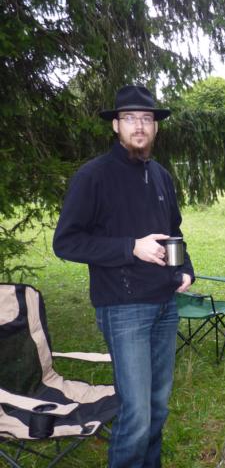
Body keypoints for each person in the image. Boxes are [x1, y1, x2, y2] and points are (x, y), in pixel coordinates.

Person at [53, 85, 194, 468]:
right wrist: (131, 247)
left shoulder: (161, 176)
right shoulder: (94, 176)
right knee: (136, 414)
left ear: (155, 127)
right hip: (123, 307)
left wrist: (185, 268)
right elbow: (66, 242)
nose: (139, 125)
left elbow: (174, 231)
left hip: (165, 304)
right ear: (116, 125)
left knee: (157, 407)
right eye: (130, 118)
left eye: (146, 118)